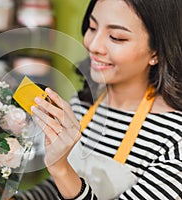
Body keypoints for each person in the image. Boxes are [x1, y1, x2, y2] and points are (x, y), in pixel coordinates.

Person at [13, 0, 182, 199]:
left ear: (156, 51)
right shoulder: (83, 104)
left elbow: (65, 176)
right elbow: (56, 190)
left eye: (116, 37)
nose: (93, 45)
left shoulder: (174, 140)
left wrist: (61, 170)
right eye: (92, 28)